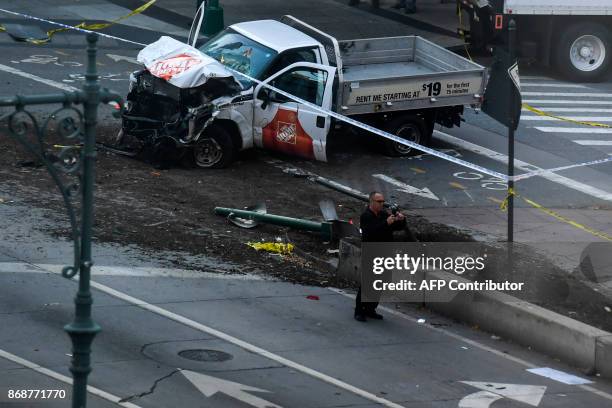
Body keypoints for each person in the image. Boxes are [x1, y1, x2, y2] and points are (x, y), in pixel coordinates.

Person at [354, 191, 406, 322]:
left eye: (383, 202)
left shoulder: (383, 214)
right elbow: (371, 233)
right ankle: (359, 310)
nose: (382, 204)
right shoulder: (366, 216)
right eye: (379, 202)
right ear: (371, 202)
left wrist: (401, 219)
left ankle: (371, 308)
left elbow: (397, 227)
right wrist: (386, 224)